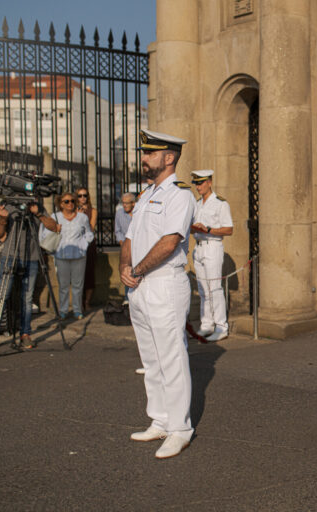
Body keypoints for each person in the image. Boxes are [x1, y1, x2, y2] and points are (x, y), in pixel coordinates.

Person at [121, 129, 196, 459]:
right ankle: (160, 419)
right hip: (138, 285)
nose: (144, 158)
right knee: (150, 359)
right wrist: (126, 266)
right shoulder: (146, 195)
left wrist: (136, 270)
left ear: (168, 158)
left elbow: (169, 242)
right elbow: (128, 238)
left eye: (150, 153)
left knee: (171, 356)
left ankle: (180, 428)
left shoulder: (180, 196)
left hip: (164, 281)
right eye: (144, 153)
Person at [0, 200, 58, 349]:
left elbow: (54, 227)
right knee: (3, 294)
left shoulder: (36, 206)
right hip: (11, 256)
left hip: (31, 257)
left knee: (27, 298)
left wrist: (38, 213)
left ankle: (25, 334)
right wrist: (3, 219)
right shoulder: (9, 204)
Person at [191, 170, 233, 342]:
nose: (198, 186)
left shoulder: (220, 203)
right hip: (199, 247)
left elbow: (229, 229)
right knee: (203, 288)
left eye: (201, 183)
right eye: (196, 183)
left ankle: (221, 326)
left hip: (212, 246)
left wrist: (207, 229)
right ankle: (206, 324)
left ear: (209, 182)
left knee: (215, 288)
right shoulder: (198, 203)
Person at [41, 192, 94, 320]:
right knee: (63, 285)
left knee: (78, 284)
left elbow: (89, 233)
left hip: (79, 255)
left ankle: (77, 309)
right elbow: (44, 233)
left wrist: (84, 244)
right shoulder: (55, 217)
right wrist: (55, 230)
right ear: (61, 204)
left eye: (72, 201)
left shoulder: (82, 217)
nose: (70, 204)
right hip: (61, 254)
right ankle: (63, 310)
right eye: (66, 201)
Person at [75, 187, 97, 311]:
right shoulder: (73, 210)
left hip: (88, 245)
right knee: (77, 275)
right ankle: (78, 303)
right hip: (76, 245)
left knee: (89, 274)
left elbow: (91, 229)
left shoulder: (92, 211)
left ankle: (87, 302)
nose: (82, 198)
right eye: (80, 196)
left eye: (85, 195)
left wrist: (83, 218)